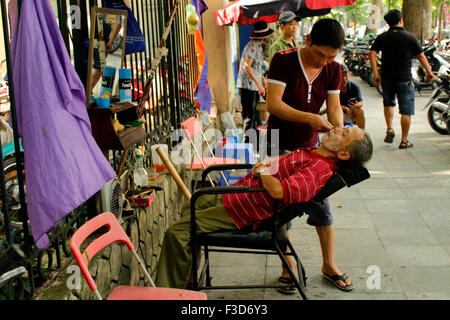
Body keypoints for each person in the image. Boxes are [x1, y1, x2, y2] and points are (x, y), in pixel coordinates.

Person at [155, 126, 373, 290]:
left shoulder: (318, 170)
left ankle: (169, 291)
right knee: (192, 206)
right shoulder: (314, 152)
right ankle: (188, 276)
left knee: (176, 234)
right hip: (239, 194)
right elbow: (285, 163)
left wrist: (263, 172)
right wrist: (268, 164)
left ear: (344, 154)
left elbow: (279, 192)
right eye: (344, 127)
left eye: (343, 134)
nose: (337, 128)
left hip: (243, 209)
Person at [265, 18, 348, 292]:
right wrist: (309, 118)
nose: (324, 61)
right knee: (282, 206)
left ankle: (328, 264)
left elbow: (334, 107)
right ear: (308, 39)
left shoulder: (334, 69)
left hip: (310, 147)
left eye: (331, 56)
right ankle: (287, 265)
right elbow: (273, 104)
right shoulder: (283, 59)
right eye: (319, 54)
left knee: (321, 204)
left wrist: (337, 133)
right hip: (278, 143)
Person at [369, 9, 433, 149]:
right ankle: (404, 140)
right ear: (401, 20)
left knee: (388, 104)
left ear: (388, 23)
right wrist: (429, 72)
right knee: (406, 111)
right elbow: (421, 56)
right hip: (404, 79)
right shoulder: (410, 37)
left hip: (386, 78)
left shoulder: (383, 37)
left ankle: (390, 129)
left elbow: (372, 53)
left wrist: (376, 73)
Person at [236, 21, 274, 134]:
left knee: (256, 116)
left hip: (253, 86)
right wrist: (259, 84)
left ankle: (254, 142)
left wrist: (263, 81)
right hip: (247, 86)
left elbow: (256, 68)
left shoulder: (258, 46)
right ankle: (248, 143)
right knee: (249, 116)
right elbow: (247, 66)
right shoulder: (252, 46)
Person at [339, 64, 365, 129]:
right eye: (342, 76)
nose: (344, 79)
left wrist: (357, 105)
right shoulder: (334, 87)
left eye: (346, 75)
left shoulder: (354, 87)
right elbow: (332, 105)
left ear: (349, 75)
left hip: (352, 113)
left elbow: (361, 101)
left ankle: (362, 133)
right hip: (339, 112)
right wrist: (346, 109)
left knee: (360, 111)